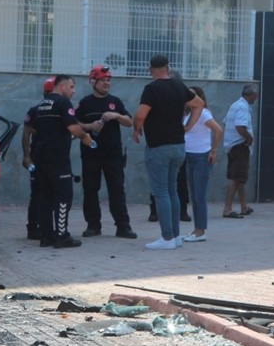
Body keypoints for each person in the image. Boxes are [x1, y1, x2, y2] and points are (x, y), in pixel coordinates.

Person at [132, 55, 202, 250]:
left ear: (150, 69)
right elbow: (198, 104)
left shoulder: (152, 89)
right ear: (168, 67)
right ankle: (176, 236)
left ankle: (167, 237)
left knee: (161, 192)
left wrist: (136, 129)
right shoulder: (179, 86)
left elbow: (140, 115)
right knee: (172, 190)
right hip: (178, 145)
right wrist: (188, 126)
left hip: (158, 147)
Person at [25, 74, 90, 248]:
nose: (73, 91)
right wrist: (85, 137)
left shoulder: (40, 106)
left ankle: (46, 237)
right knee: (63, 196)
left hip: (40, 158)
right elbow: (73, 127)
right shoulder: (62, 103)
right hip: (58, 159)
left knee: (45, 197)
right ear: (61, 87)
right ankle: (62, 235)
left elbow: (30, 131)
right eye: (71, 87)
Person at [76, 64, 137, 239]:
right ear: (93, 82)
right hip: (90, 154)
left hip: (113, 154)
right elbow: (74, 124)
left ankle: (123, 226)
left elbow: (129, 122)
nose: (106, 83)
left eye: (108, 80)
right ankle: (93, 225)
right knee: (90, 190)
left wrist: (116, 115)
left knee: (117, 190)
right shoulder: (85, 103)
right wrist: (90, 126)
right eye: (103, 80)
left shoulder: (115, 102)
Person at [181, 86, 223, 242]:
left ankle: (201, 231)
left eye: (192, 95)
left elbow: (218, 130)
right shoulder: (188, 114)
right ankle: (196, 229)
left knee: (200, 196)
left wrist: (213, 150)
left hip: (201, 157)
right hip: (189, 156)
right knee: (194, 196)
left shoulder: (204, 113)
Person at [21, 76, 56, 240]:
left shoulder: (60, 111)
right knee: (37, 193)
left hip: (53, 159)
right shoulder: (35, 111)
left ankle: (45, 226)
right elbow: (26, 134)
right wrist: (26, 156)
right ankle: (33, 227)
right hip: (38, 158)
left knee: (49, 194)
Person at [221, 83, 258, 219]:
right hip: (239, 146)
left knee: (240, 178)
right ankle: (227, 209)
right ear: (250, 95)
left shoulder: (235, 105)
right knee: (236, 178)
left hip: (232, 146)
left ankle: (244, 206)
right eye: (255, 95)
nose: (256, 98)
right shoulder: (243, 107)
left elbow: (225, 122)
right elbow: (240, 126)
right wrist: (249, 138)